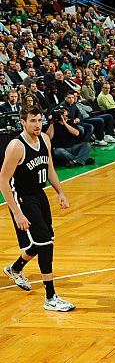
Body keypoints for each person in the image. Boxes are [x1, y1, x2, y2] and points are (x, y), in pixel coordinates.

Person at [0, 105, 75, 311]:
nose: (37, 125)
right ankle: (50, 297)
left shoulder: (44, 139)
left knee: (43, 239)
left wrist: (60, 192)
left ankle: (15, 268)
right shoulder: (16, 146)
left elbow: (49, 167)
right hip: (22, 198)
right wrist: (17, 213)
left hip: (39, 195)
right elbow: (4, 181)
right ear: (22, 122)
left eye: (39, 120)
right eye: (32, 121)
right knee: (46, 244)